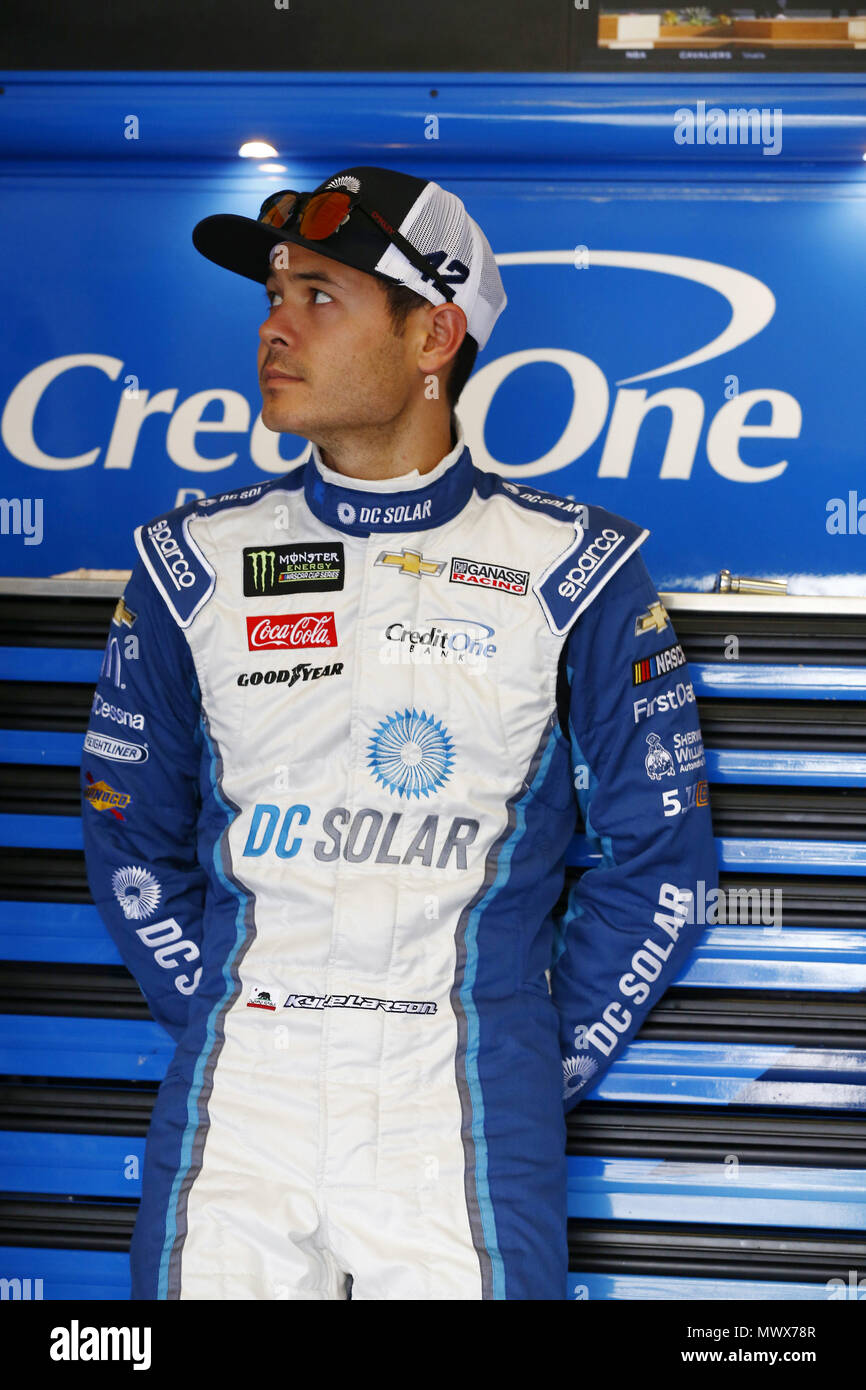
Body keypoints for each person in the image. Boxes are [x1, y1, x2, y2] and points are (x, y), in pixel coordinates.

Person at [80, 165, 718, 1300]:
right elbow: (127, 832)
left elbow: (658, 864)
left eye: (320, 296)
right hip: (244, 1094)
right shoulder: (190, 564)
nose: (276, 325)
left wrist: (518, 1056)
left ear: (435, 336)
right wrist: (234, 1016)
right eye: (273, 294)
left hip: (463, 1097)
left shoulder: (578, 571)